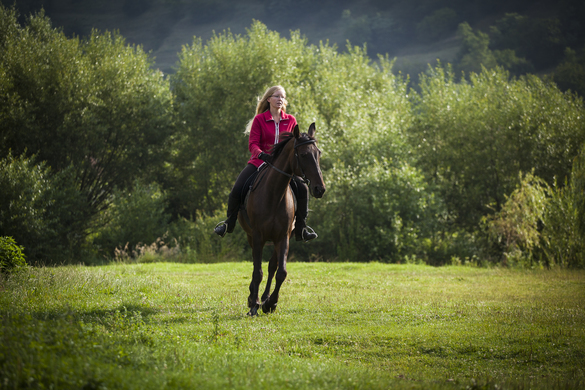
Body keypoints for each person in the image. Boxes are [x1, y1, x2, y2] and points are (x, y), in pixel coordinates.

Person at [214, 85, 318, 242]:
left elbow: (293, 144)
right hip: (259, 162)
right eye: (277, 96)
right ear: (268, 99)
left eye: (282, 97)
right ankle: (229, 223)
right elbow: (252, 144)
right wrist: (262, 155)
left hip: (284, 167)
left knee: (303, 188)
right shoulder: (259, 120)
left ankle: (302, 228)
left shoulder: (291, 120)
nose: (280, 99)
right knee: (238, 187)